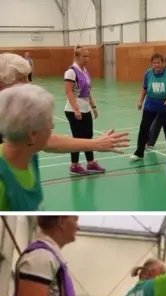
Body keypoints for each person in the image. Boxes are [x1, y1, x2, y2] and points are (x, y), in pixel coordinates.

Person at [0, 84, 128, 211]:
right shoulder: (3, 181)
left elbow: (52, 142)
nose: (53, 126)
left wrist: (95, 144)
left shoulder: (28, 152)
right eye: (48, 122)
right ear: (32, 134)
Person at [0, 52, 129, 151]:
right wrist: (94, 144)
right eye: (21, 80)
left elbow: (46, 141)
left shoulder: (15, 109)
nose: (28, 84)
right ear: (2, 83)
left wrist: (95, 144)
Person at [63, 46, 105, 175]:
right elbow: (68, 92)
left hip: (85, 109)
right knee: (77, 138)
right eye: (84, 56)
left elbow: (88, 92)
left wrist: (93, 107)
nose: (87, 58)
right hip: (73, 109)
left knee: (88, 137)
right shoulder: (71, 71)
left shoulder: (85, 71)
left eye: (88, 56)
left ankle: (91, 163)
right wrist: (76, 109)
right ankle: (74, 166)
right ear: (77, 57)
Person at [131, 53, 166, 161]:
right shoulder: (148, 74)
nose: (156, 65)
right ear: (152, 64)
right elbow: (144, 89)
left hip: (165, 106)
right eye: (154, 63)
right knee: (144, 128)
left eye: (158, 62)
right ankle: (139, 153)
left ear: (163, 63)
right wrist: (140, 101)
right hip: (150, 105)